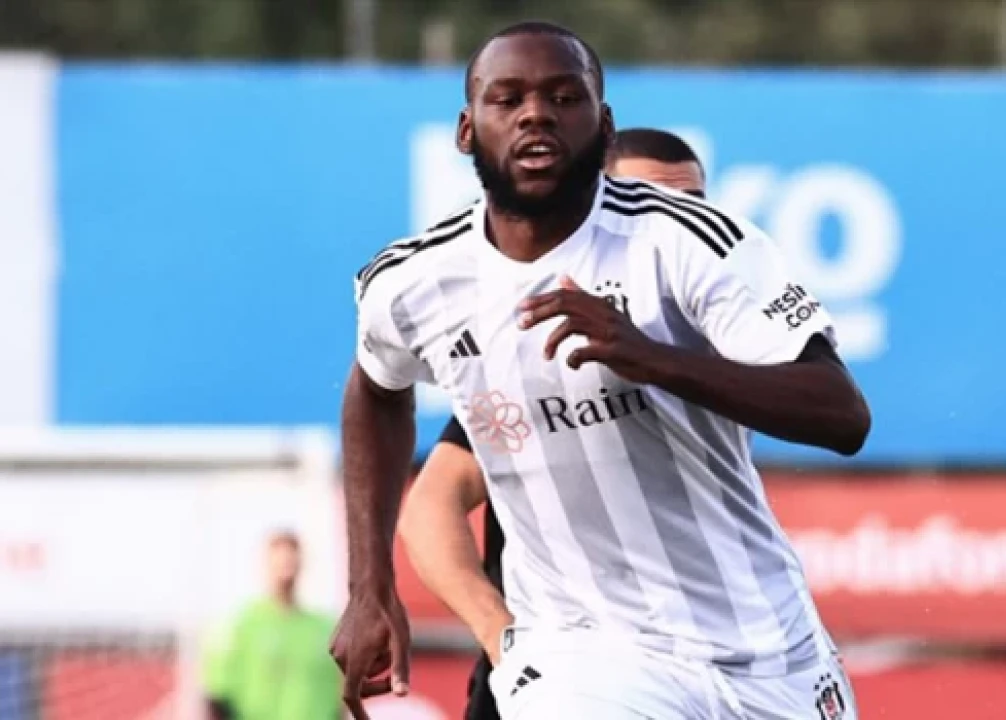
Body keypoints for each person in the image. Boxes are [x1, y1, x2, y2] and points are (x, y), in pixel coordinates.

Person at [332, 19, 871, 720]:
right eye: (508, 99)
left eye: (563, 97)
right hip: (582, 657)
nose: (535, 114)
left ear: (604, 125)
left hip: (766, 652)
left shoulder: (687, 241)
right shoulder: (412, 282)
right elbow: (376, 389)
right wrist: (370, 586)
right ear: (466, 130)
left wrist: (650, 357)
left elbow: (843, 414)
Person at [399, 127, 712, 720]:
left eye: (693, 207)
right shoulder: (544, 352)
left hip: (704, 670)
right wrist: (504, 640)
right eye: (648, 203)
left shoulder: (724, 338)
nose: (675, 226)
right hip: (563, 683)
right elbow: (430, 506)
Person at [204, 531, 342, 720]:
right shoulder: (242, 625)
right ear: (266, 565)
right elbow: (217, 694)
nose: (285, 571)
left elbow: (339, 695)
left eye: (290, 562)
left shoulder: (324, 630)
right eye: (279, 563)